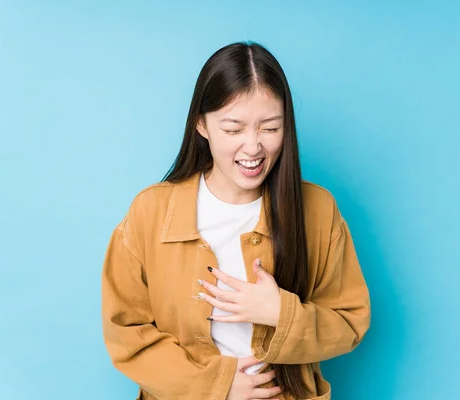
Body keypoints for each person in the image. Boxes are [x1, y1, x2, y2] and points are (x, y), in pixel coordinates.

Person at [101, 41, 371, 400]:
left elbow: (349, 320)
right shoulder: (150, 212)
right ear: (201, 124)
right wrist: (216, 385)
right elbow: (127, 332)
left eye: (270, 128)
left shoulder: (317, 210)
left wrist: (281, 313)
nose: (253, 147)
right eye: (233, 129)